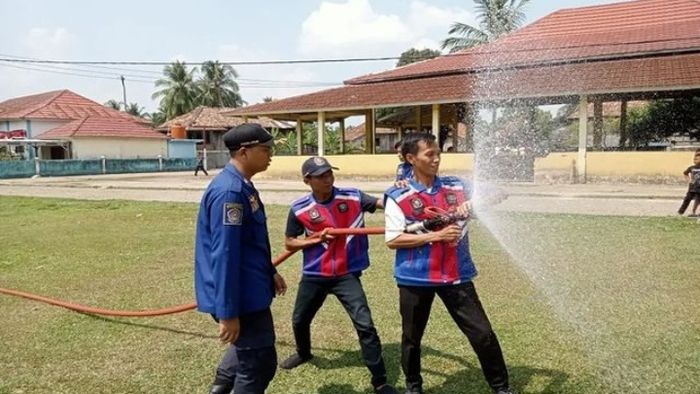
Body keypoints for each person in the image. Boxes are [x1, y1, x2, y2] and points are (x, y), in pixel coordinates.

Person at [384, 133, 514, 394]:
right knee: (412, 338)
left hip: (457, 275)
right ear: (411, 158)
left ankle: (501, 388)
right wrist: (437, 236)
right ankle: (414, 386)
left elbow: (501, 192)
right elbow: (393, 239)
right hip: (415, 278)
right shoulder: (398, 194)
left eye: (437, 152)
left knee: (482, 334)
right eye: (429, 154)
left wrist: (474, 201)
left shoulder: (456, 186)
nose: (436, 158)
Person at [279, 156, 398, 394]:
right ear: (307, 180)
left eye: (330, 173)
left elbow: (383, 204)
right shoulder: (300, 208)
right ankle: (303, 353)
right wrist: (315, 239)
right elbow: (290, 243)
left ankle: (380, 381)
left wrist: (400, 194)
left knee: (365, 325)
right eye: (321, 176)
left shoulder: (352, 196)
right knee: (299, 320)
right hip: (315, 274)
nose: (328, 179)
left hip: (346, 275)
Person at [194, 123, 288, 394]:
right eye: (266, 149)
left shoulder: (242, 185)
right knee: (258, 363)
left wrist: (269, 270)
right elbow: (224, 254)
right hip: (240, 299)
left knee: (248, 352)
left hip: (250, 289)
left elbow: (249, 243)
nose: (271, 154)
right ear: (244, 152)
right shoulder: (231, 193)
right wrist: (228, 312)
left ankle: (221, 387)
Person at [678, 152, 700, 217]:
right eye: (694, 159)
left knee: (698, 200)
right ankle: (680, 212)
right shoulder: (691, 168)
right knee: (687, 199)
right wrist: (689, 180)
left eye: (696, 159)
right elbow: (685, 173)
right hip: (692, 187)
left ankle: (694, 212)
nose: (694, 161)